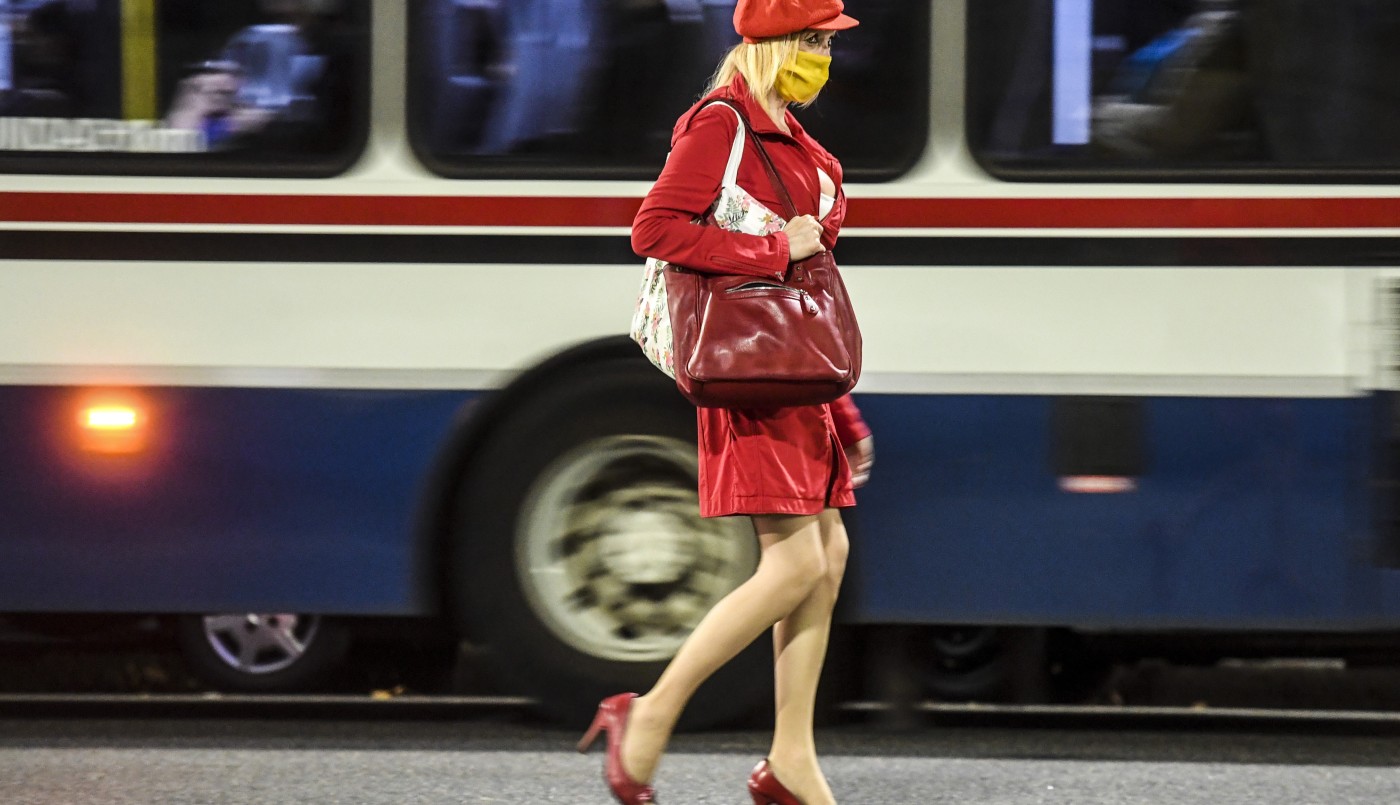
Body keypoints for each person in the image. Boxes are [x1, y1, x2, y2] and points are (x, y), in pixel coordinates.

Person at [578, 2, 873, 803]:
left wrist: (839, 408)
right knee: (796, 562)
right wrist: (773, 246)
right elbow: (655, 229)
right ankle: (648, 714)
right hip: (747, 377)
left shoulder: (791, 134)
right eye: (811, 42)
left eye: (827, 43)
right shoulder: (721, 124)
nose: (824, 57)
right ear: (771, 45)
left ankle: (791, 758)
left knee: (827, 558)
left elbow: (804, 295)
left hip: (792, 377)